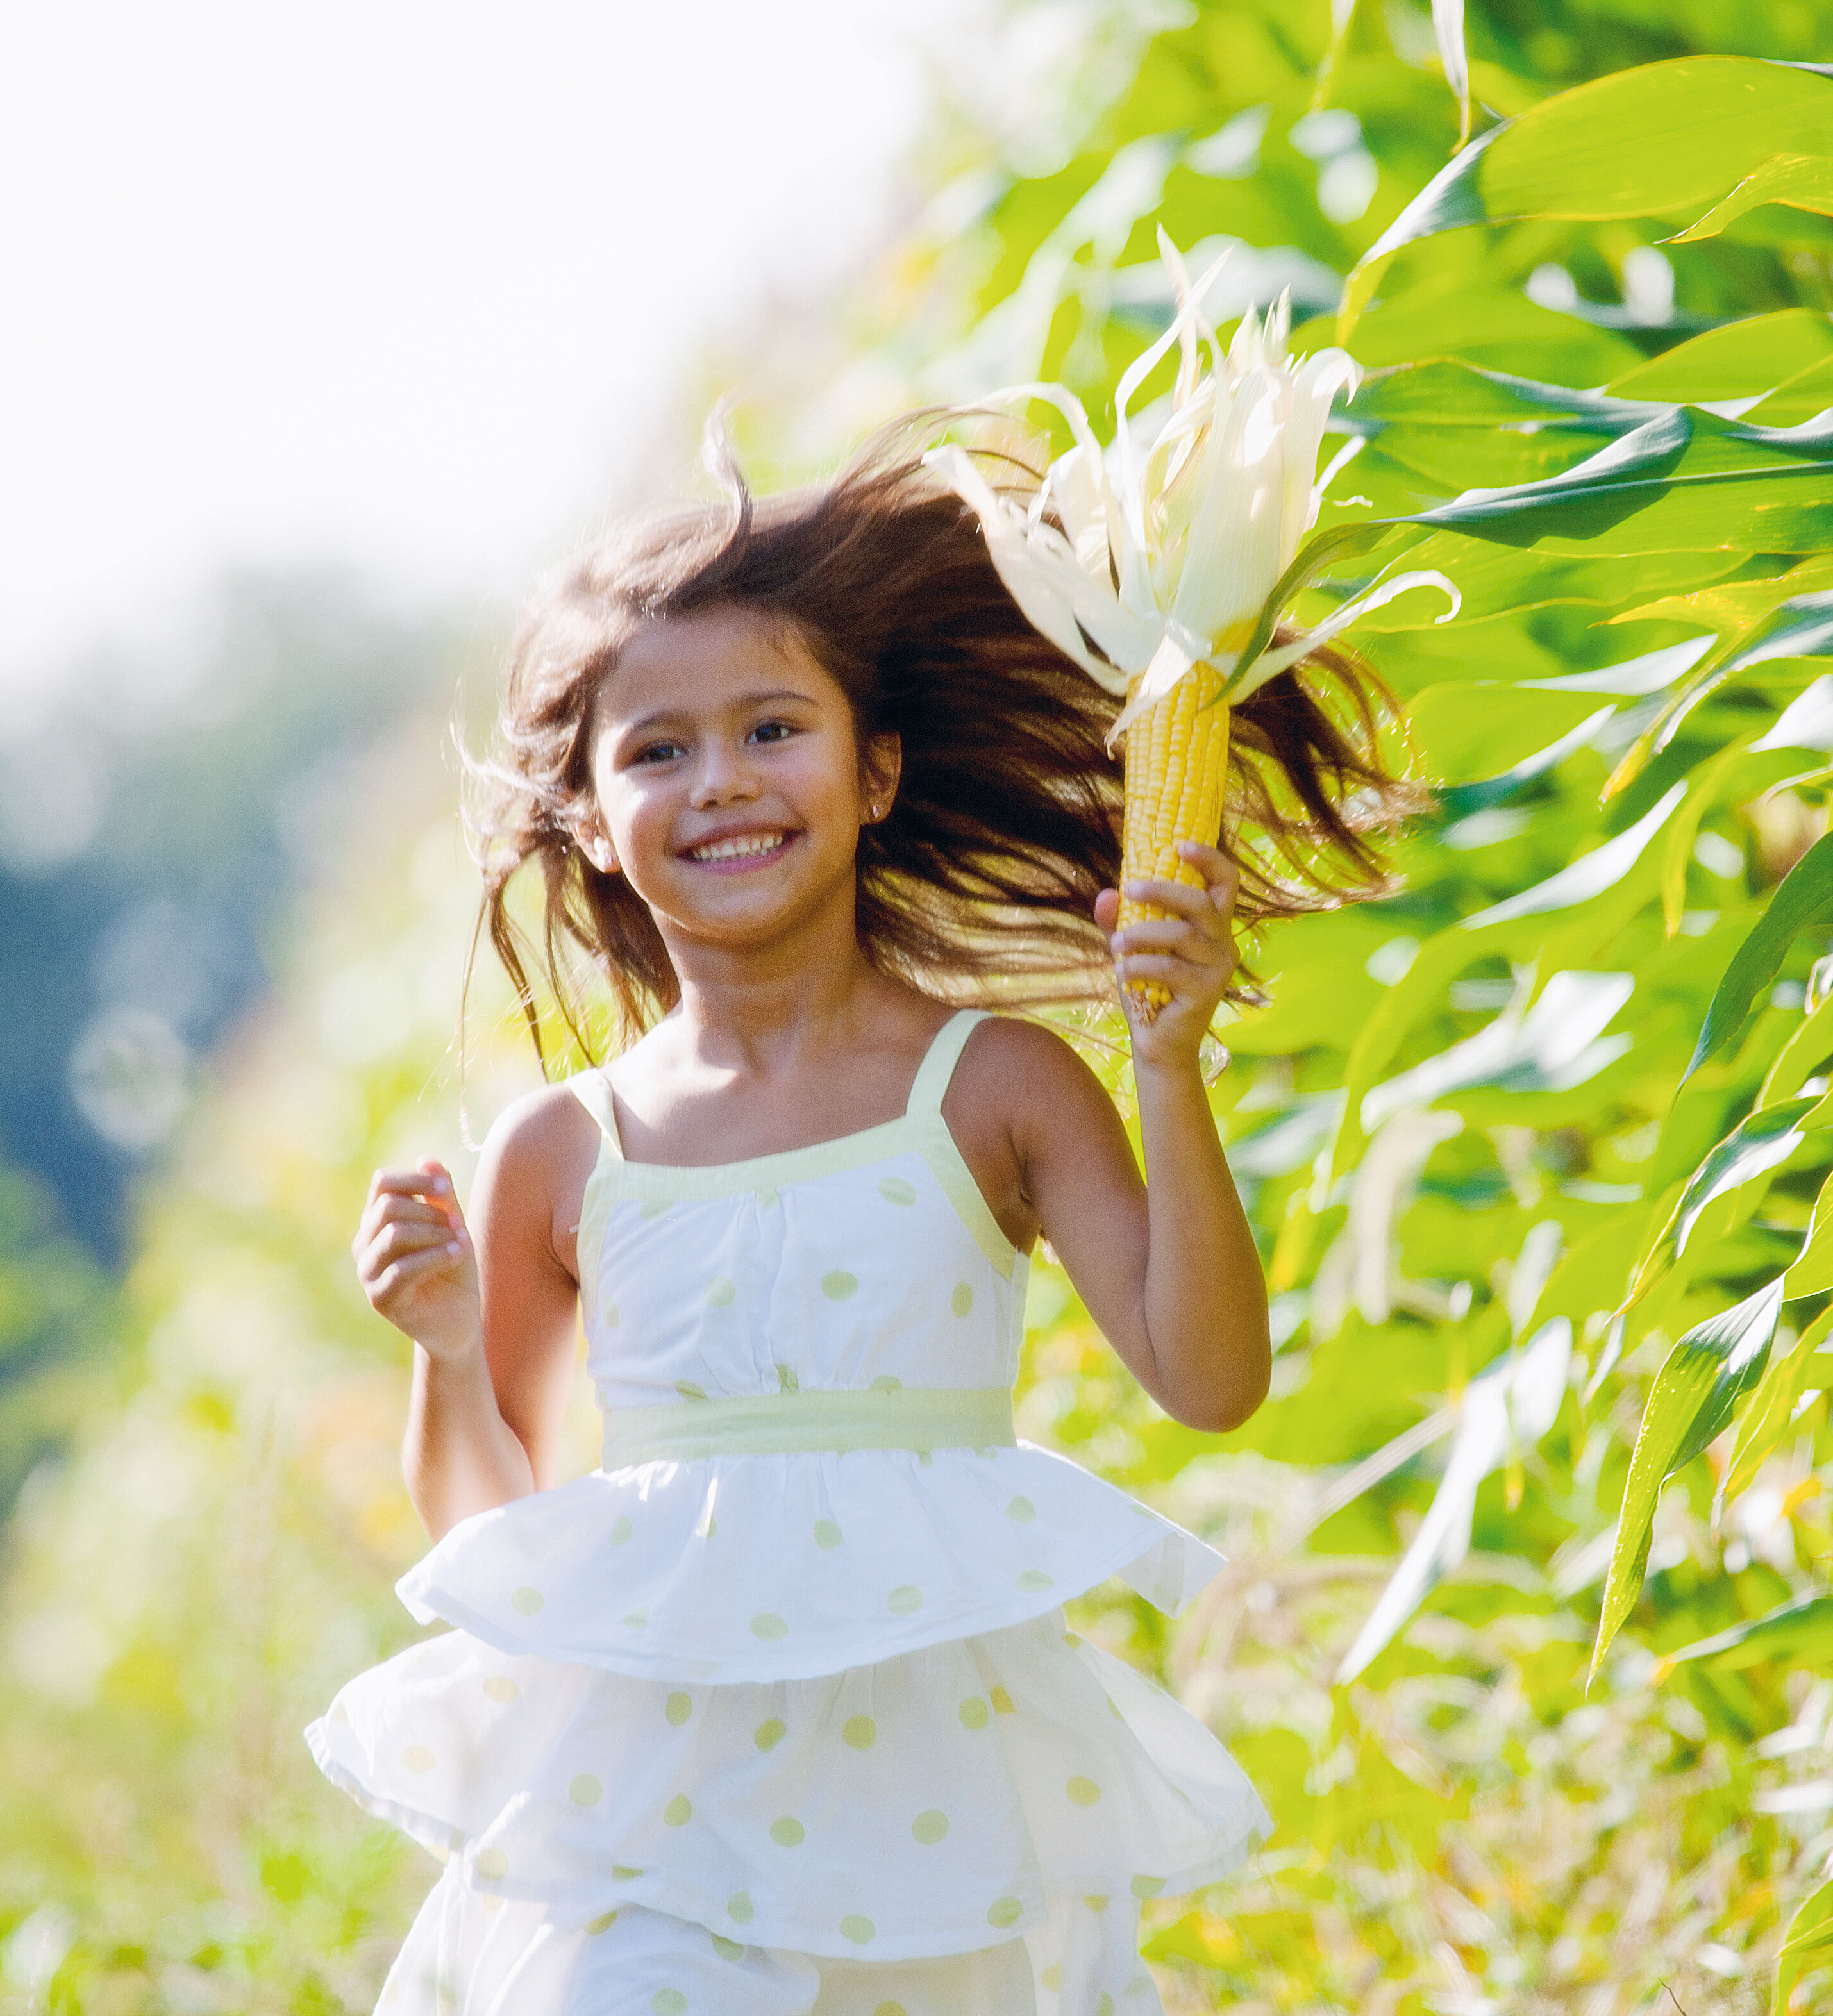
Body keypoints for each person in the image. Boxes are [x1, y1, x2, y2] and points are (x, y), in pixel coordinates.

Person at [310, 433, 1409, 2015]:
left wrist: (1167, 1064)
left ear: (872, 769)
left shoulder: (995, 1088)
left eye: (773, 728)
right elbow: (501, 1545)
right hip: (647, 1802)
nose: (723, 782)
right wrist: (442, 1352)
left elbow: (1209, 1376)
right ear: (593, 820)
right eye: (658, 752)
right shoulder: (563, 1147)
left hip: (924, 1791)